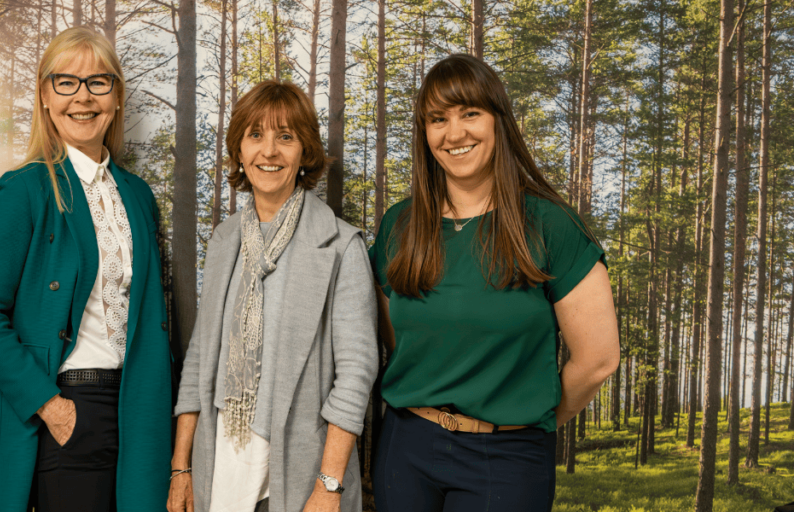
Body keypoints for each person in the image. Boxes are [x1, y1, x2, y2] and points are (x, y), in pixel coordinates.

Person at [370, 54, 619, 512]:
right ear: (425, 133)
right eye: (438, 119)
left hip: (507, 456)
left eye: (470, 113)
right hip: (405, 447)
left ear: (498, 121)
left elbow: (599, 359)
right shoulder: (399, 225)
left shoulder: (549, 225)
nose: (454, 133)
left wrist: (525, 416)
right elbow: (394, 338)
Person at [0, 27, 171, 512]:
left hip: (139, 408)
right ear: (45, 96)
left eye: (98, 82)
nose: (83, 97)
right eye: (66, 82)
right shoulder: (25, 190)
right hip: (70, 406)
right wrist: (51, 407)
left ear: (116, 97)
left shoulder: (137, 195)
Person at [167, 80, 378, 512]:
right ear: (239, 151)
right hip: (219, 469)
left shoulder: (340, 245)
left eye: (286, 137)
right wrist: (181, 468)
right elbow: (199, 359)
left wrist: (329, 486)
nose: (269, 152)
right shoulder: (225, 241)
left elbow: (357, 374)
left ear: (304, 153)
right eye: (255, 135)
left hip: (302, 478)